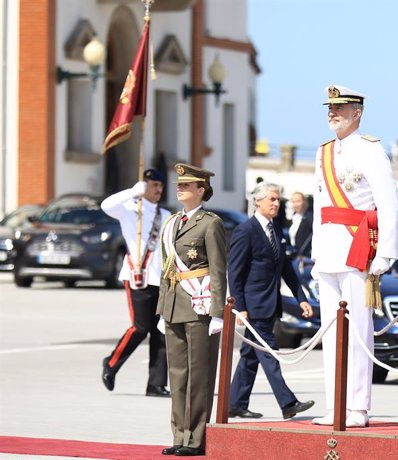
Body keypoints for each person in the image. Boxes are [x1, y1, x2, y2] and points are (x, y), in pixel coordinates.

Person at [311, 84, 398, 428]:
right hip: (329, 249)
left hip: (357, 246)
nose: (332, 113)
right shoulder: (323, 152)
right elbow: (321, 205)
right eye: (329, 108)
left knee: (359, 331)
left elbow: (388, 202)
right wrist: (316, 254)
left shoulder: (370, 150)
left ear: (357, 113)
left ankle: (358, 407)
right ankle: (336, 404)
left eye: (340, 108)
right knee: (330, 331)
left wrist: (385, 252)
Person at [227, 182, 315, 420]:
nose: (277, 204)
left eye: (278, 200)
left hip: (270, 303)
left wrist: (301, 298)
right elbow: (234, 272)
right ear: (258, 201)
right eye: (272, 200)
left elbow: (286, 268)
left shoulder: (275, 229)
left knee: (250, 355)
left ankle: (235, 403)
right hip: (254, 306)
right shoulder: (245, 231)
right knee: (269, 353)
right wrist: (240, 308)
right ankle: (288, 403)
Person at [157, 163, 227, 457]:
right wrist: (162, 308)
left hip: (199, 305)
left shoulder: (211, 223)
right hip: (174, 305)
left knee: (199, 375)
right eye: (179, 185)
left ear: (201, 190)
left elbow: (219, 269)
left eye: (187, 185)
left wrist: (218, 312)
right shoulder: (172, 223)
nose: (180, 188)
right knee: (178, 375)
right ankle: (179, 434)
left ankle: (195, 438)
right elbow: (167, 268)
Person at [100, 168, 171, 397]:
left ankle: (156, 384)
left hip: (159, 279)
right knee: (140, 328)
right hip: (137, 276)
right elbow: (106, 206)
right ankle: (111, 363)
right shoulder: (130, 210)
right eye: (152, 185)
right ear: (143, 185)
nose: (157, 190)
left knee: (160, 332)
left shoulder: (166, 215)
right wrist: (133, 191)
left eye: (160, 186)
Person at [288, 191, 313, 259]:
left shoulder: (310, 217)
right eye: (294, 202)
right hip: (295, 255)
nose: (296, 204)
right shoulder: (294, 217)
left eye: (298, 201)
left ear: (305, 202)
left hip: (306, 257)